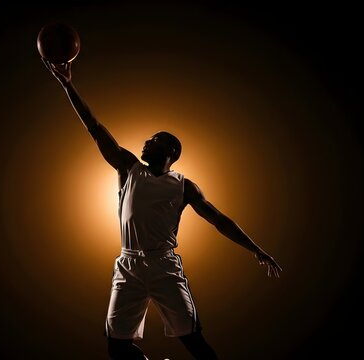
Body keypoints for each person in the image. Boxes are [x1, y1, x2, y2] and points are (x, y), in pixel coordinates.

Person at [43, 59, 282, 360]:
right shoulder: (128, 167)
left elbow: (219, 220)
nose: (146, 142)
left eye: (154, 140)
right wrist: (67, 85)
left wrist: (255, 248)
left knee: (194, 342)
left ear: (170, 151)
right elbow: (94, 127)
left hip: (164, 267)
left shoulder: (184, 186)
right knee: (117, 349)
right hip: (128, 266)